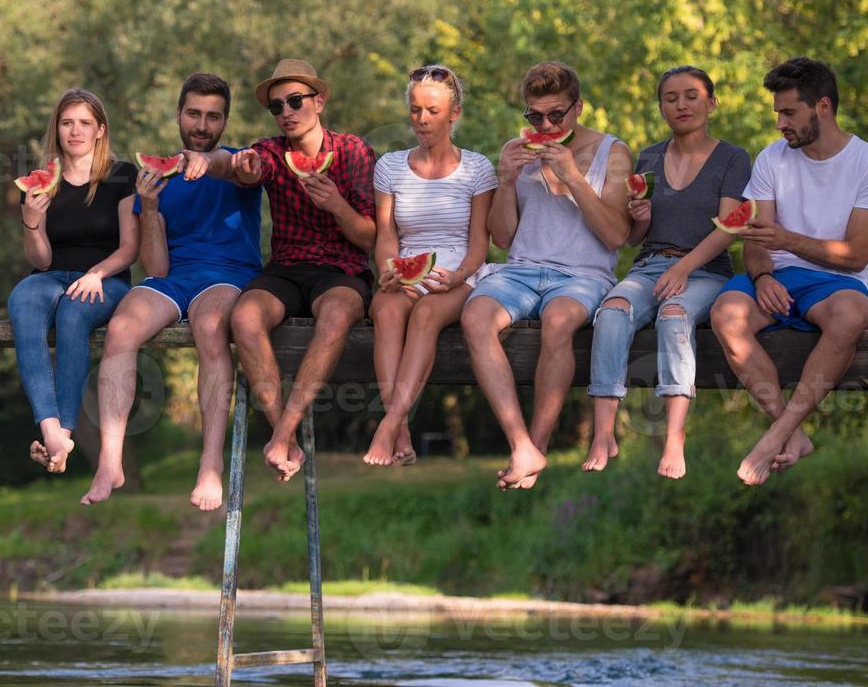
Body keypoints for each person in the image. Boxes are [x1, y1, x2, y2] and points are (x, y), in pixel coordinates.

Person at [81, 73, 262, 511]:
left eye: (213, 117)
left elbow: (236, 171)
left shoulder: (241, 163)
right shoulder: (152, 180)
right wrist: (152, 207)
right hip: (173, 280)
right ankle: (110, 460)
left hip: (228, 275)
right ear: (179, 115)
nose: (202, 125)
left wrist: (212, 161)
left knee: (211, 325)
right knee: (122, 327)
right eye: (194, 114)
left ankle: (210, 464)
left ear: (225, 121)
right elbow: (156, 267)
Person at [709, 57, 868, 486]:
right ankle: (789, 431)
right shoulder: (771, 159)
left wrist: (787, 240)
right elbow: (757, 242)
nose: (779, 123)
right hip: (777, 277)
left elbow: (857, 256)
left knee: (851, 315)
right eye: (777, 112)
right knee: (725, 314)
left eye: (789, 112)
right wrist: (762, 277)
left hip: (837, 283)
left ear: (822, 106)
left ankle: (774, 436)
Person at [461, 61, 632, 490]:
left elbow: (615, 236)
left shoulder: (614, 152)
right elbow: (501, 237)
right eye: (534, 117)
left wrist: (573, 176)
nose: (546, 124)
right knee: (476, 318)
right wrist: (505, 180)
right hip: (519, 270)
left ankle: (537, 444)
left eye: (556, 115)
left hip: (583, 274)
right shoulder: (514, 151)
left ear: (578, 107)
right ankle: (521, 444)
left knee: (558, 321)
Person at [202, 59, 376, 481]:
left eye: (295, 101)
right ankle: (286, 437)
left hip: (342, 269)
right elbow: (241, 166)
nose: (286, 113)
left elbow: (370, 238)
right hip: (286, 268)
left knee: (334, 316)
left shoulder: (352, 150)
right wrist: (212, 161)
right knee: (243, 315)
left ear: (319, 101)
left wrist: (335, 203)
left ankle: (281, 432)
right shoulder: (271, 152)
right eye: (277, 107)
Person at [583, 66, 750, 479]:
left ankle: (675, 437)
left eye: (691, 96)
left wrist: (685, 267)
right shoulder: (649, 157)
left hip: (706, 270)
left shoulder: (732, 158)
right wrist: (640, 216)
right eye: (671, 98)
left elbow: (730, 226)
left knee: (673, 317)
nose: (681, 105)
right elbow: (638, 237)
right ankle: (603, 432)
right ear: (661, 107)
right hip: (651, 266)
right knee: (612, 311)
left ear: (711, 103)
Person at [364, 64, 496, 466]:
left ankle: (387, 425)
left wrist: (457, 276)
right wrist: (388, 268)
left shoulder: (478, 168)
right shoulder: (389, 166)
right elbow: (386, 235)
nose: (422, 119)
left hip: (461, 274)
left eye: (432, 111)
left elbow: (479, 244)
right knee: (385, 311)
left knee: (424, 317)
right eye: (416, 110)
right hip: (406, 270)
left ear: (453, 114)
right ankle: (401, 428)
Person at [8, 88, 138, 474]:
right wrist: (31, 220)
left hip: (106, 279)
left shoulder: (122, 175)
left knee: (72, 314)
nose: (75, 131)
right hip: (50, 277)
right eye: (67, 123)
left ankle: (61, 431)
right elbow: (41, 259)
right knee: (22, 301)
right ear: (57, 129)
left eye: (84, 123)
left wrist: (96, 273)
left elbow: (131, 248)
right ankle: (52, 430)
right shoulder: (40, 182)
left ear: (100, 129)